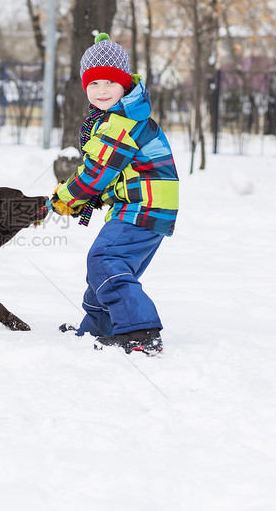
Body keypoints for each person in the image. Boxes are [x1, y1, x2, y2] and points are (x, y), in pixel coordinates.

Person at [49, 32, 179, 355]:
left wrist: (64, 198)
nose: (102, 90)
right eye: (94, 84)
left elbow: (96, 175)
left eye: (109, 82)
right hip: (142, 207)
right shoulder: (114, 117)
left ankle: (140, 331)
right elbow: (108, 176)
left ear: (124, 83)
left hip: (144, 207)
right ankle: (100, 328)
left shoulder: (121, 121)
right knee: (107, 265)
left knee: (105, 259)